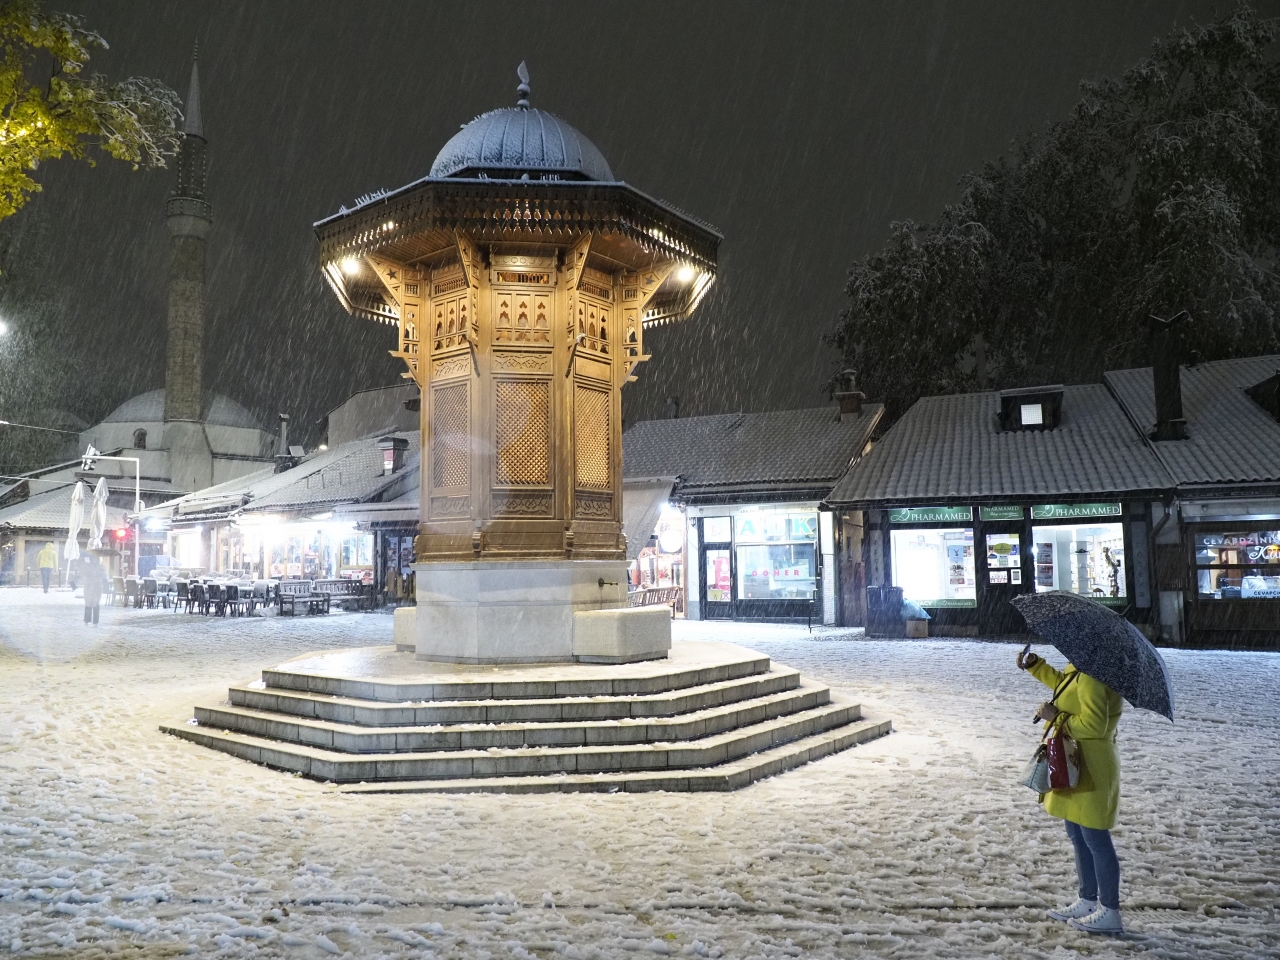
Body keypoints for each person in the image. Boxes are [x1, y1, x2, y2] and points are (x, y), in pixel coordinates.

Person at [1018, 647, 1125, 934]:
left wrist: (1056, 717)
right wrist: (1035, 666)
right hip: (1075, 763)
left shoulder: (1093, 675)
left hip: (1091, 766)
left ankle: (1110, 911)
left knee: (1095, 839)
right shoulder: (1082, 667)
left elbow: (1095, 724)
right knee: (1078, 835)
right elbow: (1064, 685)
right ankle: (1088, 899)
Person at [81, 553, 105, 625]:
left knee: (95, 602)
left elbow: (103, 575)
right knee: (90, 602)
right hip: (91, 585)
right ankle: (91, 620)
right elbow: (83, 574)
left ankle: (92, 620)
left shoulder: (100, 567)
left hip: (95, 585)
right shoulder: (88, 566)